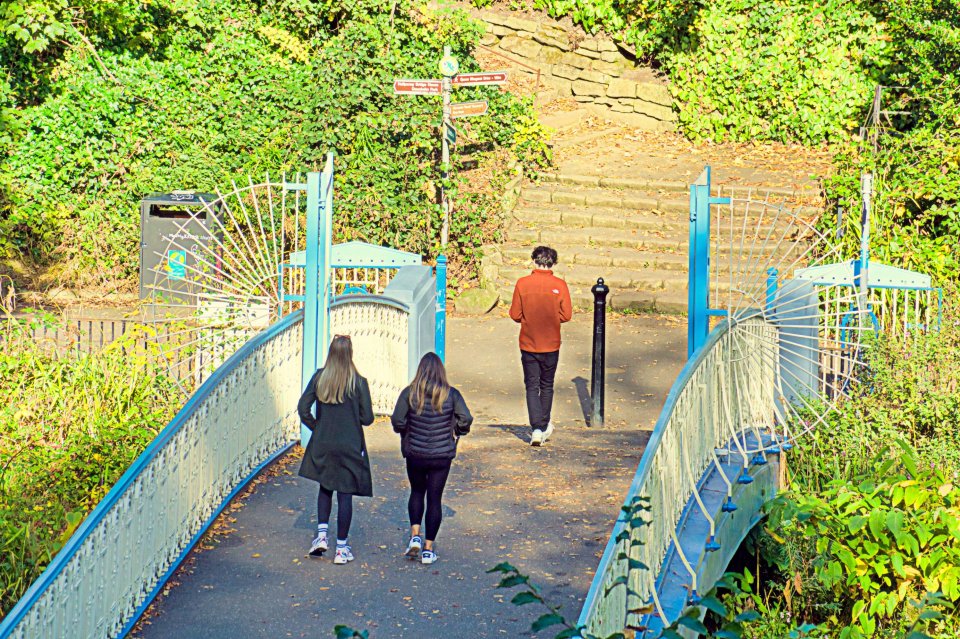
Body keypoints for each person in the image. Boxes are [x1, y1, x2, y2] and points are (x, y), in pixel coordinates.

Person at [297, 335, 374, 565]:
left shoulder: (320, 378)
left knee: (325, 486)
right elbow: (368, 418)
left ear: (330, 353)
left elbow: (303, 409)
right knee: (345, 494)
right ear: (350, 354)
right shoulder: (359, 382)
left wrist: (317, 428)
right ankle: (341, 548)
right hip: (350, 445)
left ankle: (321, 536)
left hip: (324, 443)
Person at [391, 353, 473, 565]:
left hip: (415, 455)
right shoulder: (451, 395)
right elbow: (466, 419)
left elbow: (397, 420)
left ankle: (414, 536)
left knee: (417, 491)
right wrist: (456, 430)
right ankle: (428, 549)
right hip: (441, 456)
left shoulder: (409, 394)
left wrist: (406, 431)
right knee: (434, 499)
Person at [508, 245, 572, 446]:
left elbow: (515, 314)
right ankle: (543, 425)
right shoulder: (559, 285)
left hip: (528, 341)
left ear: (534, 261)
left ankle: (536, 428)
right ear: (553, 263)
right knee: (547, 385)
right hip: (551, 342)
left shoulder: (522, 284)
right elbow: (567, 314)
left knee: (531, 385)